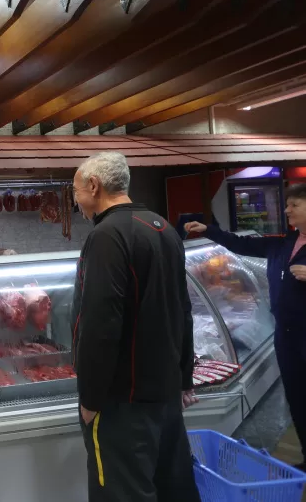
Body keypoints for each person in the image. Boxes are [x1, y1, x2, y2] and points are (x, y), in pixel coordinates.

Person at [71, 152, 200, 502]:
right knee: (170, 489)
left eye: (76, 192)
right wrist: (184, 377)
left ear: (94, 187)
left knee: (121, 491)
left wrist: (91, 399)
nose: (77, 203)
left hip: (122, 403)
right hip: (164, 395)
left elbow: (100, 324)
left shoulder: (107, 236)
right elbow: (182, 308)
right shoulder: (161, 227)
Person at [186, 182, 306, 472]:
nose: (287, 209)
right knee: (298, 398)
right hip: (286, 335)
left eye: (295, 205)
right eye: (288, 204)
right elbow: (246, 245)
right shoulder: (287, 242)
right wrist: (210, 231)